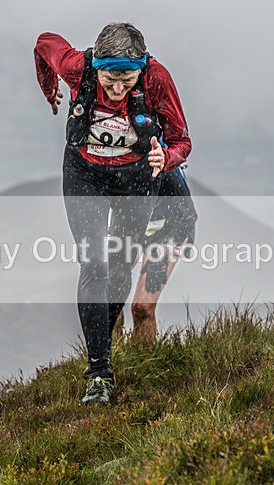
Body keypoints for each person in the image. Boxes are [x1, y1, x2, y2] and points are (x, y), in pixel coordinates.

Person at [35, 23, 191, 405]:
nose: (117, 89)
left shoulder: (157, 79)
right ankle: (100, 372)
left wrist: (166, 157)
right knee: (93, 265)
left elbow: (181, 139)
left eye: (126, 79)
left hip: (136, 177)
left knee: (120, 267)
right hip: (84, 172)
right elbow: (44, 43)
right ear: (96, 66)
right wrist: (49, 86)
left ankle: (102, 351)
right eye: (109, 80)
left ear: (140, 69)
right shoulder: (76, 66)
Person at [116, 165, 197, 341]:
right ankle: (111, 362)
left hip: (170, 225)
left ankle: (144, 364)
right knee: (108, 304)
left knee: (142, 308)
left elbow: (185, 213)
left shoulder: (156, 152)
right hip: (128, 222)